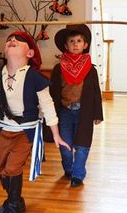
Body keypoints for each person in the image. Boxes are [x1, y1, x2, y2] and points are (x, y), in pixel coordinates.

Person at [0, 30, 70, 213]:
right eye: (9, 40)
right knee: (1, 168)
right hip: (4, 130)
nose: (12, 40)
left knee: (12, 167)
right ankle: (16, 201)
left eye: (18, 41)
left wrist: (56, 134)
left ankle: (13, 206)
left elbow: (48, 106)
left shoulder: (35, 78)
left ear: (30, 53)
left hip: (26, 132)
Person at [50, 24, 103, 187]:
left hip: (84, 112)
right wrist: (50, 114)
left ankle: (78, 174)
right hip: (65, 112)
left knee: (82, 144)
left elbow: (96, 92)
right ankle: (68, 169)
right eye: (71, 41)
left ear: (85, 45)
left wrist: (97, 114)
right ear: (65, 46)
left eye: (79, 41)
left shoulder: (90, 70)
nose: (75, 44)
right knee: (65, 145)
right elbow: (52, 92)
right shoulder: (58, 69)